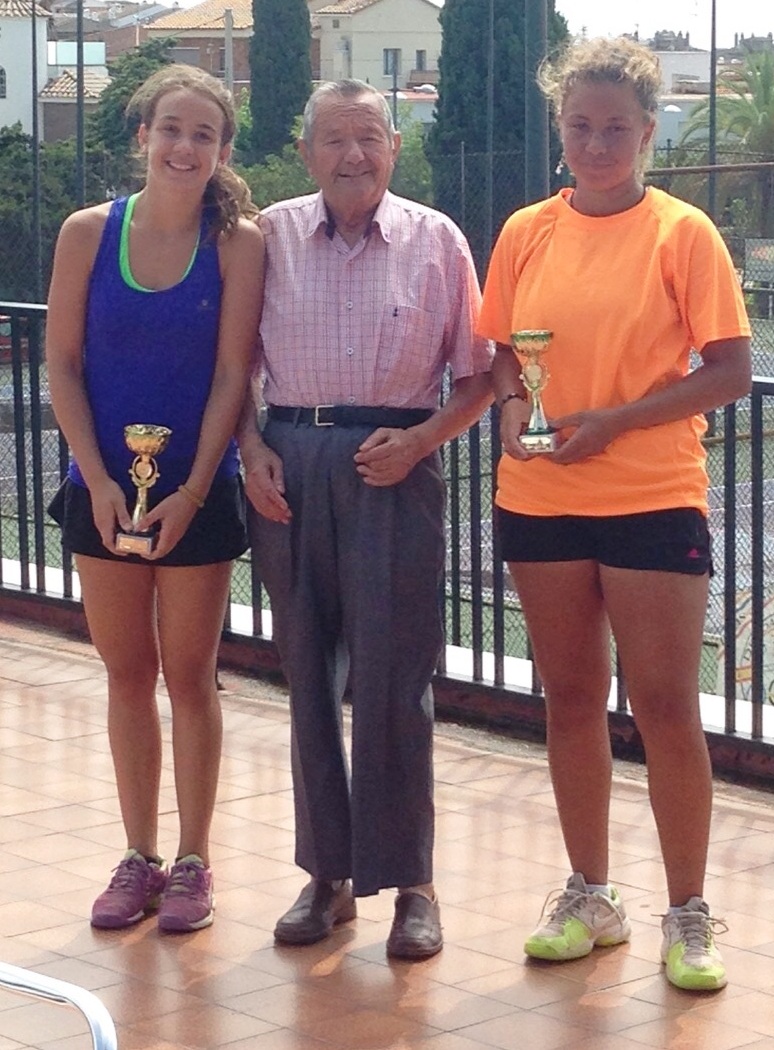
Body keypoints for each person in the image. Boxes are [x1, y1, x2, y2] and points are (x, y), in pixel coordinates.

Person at [478, 37, 751, 992]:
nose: (596, 145)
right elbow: (505, 351)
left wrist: (616, 424)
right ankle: (590, 895)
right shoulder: (524, 231)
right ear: (561, 127)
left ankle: (689, 913)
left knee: (670, 709)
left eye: (616, 130)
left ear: (646, 133)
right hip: (541, 498)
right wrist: (516, 407)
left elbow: (730, 370)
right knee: (568, 705)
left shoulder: (683, 234)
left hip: (649, 494)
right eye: (580, 126)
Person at [238, 79, 492, 959]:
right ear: (307, 152)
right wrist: (249, 448)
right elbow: (232, 364)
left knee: (395, 684)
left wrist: (422, 441)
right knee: (306, 674)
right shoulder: (265, 235)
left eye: (370, 138)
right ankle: (328, 876)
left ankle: (412, 885)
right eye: (335, 140)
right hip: (287, 465)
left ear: (394, 147)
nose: (353, 155)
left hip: (397, 466)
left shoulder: (438, 241)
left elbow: (483, 377)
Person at [46, 65, 265, 933]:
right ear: (143, 136)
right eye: (171, 129)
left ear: (221, 150)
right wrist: (99, 480)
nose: (184, 147)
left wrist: (196, 487)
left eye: (203, 135)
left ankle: (194, 863)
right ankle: (137, 856)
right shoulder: (86, 233)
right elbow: (62, 363)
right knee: (127, 673)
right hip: (99, 492)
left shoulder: (239, 243)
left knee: (189, 677)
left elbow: (229, 376)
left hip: (196, 495)